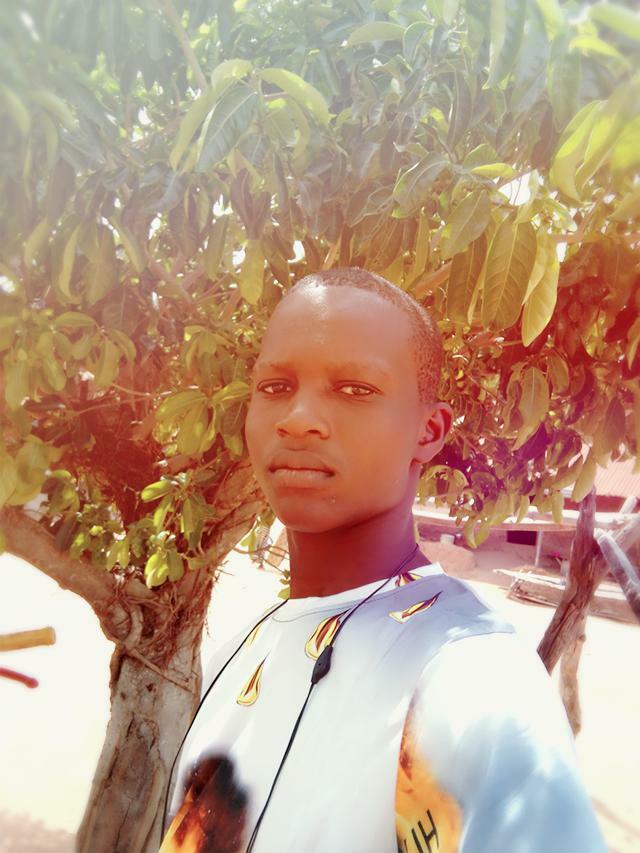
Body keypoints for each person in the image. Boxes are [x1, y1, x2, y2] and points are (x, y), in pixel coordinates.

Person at [159, 268, 605, 852]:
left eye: (355, 389)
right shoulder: (240, 647)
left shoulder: (467, 674)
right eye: (274, 386)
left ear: (429, 431)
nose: (297, 417)